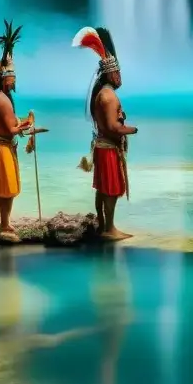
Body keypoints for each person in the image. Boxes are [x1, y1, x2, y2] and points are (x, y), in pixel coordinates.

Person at [72, 26, 137, 241]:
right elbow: (111, 127)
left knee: (103, 189)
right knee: (110, 190)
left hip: (102, 147)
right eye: (117, 72)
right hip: (108, 149)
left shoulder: (102, 94)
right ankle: (109, 229)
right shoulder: (108, 96)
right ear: (109, 73)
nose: (120, 76)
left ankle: (104, 225)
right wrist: (131, 129)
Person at [0, 20, 34, 241]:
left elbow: (5, 123)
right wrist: (26, 124)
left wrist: (19, 123)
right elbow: (11, 128)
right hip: (2, 147)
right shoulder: (2, 99)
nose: (14, 81)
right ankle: (4, 225)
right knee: (7, 190)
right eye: (12, 78)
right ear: (4, 78)